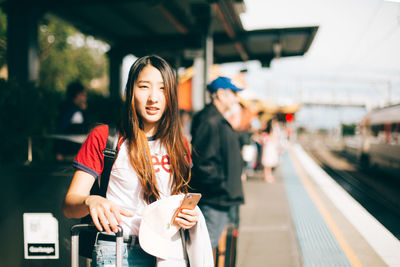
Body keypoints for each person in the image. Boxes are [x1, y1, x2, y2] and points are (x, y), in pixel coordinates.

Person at [62, 55, 202, 266]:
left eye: (162, 88)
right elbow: (69, 205)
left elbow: (177, 203)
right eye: (144, 86)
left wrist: (187, 217)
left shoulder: (180, 145)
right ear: (130, 92)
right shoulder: (105, 137)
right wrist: (90, 200)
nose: (153, 97)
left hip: (168, 251)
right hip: (118, 249)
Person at [189, 76, 245, 259]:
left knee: (209, 247)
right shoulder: (210, 121)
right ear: (220, 94)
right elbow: (204, 163)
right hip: (216, 199)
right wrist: (222, 187)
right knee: (204, 249)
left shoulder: (215, 119)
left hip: (222, 197)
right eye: (233, 94)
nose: (236, 98)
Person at [55, 81, 88, 161]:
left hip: (62, 153)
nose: (85, 98)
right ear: (78, 95)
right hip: (69, 155)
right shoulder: (75, 113)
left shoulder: (63, 108)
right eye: (83, 95)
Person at [261, 118, 280, 183]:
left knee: (269, 163)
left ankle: (267, 175)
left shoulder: (273, 130)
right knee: (267, 164)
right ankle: (267, 176)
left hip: (270, 148)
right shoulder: (267, 132)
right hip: (268, 148)